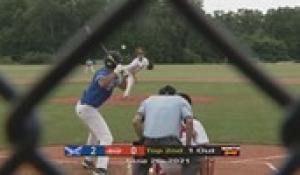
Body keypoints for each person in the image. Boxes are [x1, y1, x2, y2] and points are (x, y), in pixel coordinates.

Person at [75, 51, 127, 175]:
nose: (119, 64)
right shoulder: (102, 73)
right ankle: (100, 169)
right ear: (112, 63)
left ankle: (88, 160)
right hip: (87, 108)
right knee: (106, 137)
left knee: (94, 134)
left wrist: (123, 74)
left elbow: (124, 87)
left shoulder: (112, 74)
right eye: (118, 63)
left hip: (89, 108)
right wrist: (115, 73)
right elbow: (103, 83)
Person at [132, 85, 194, 175]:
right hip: (170, 143)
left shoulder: (148, 100)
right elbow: (189, 121)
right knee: (193, 159)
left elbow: (135, 121)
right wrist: (188, 146)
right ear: (174, 94)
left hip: (149, 142)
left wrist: (142, 140)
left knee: (140, 162)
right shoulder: (180, 100)